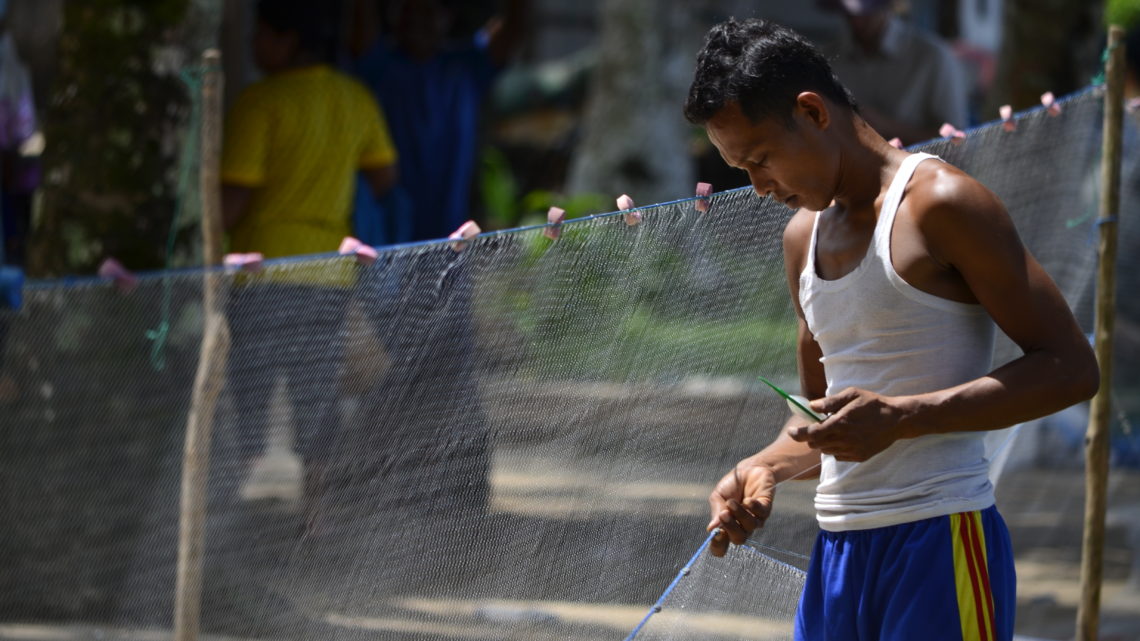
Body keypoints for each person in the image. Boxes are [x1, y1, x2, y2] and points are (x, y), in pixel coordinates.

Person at [683, 19, 1098, 640]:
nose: (760, 187)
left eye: (762, 158)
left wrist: (906, 416)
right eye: (741, 169)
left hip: (943, 541)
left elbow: (1071, 368)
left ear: (812, 112)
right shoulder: (803, 237)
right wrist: (765, 466)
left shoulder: (942, 204)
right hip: (839, 555)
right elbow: (825, 422)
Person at [219, 0, 398, 530]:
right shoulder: (354, 98)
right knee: (315, 388)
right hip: (329, 273)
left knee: (248, 381)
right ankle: (313, 510)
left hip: (263, 271)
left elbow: (234, 199)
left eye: (261, 36)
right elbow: (385, 178)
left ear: (287, 39)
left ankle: (233, 505)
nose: (254, 48)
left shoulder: (260, 102)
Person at [348, 0, 529, 242]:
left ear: (447, 17)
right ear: (393, 17)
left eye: (428, 10)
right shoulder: (380, 66)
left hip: (452, 237)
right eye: (407, 10)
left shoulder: (467, 66)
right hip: (387, 238)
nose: (416, 20)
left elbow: (512, 29)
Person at [818, 0, 970, 145]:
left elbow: (957, 140)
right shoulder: (828, 59)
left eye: (866, 14)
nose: (857, 22)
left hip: (919, 169)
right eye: (849, 15)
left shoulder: (933, 57)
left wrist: (885, 127)